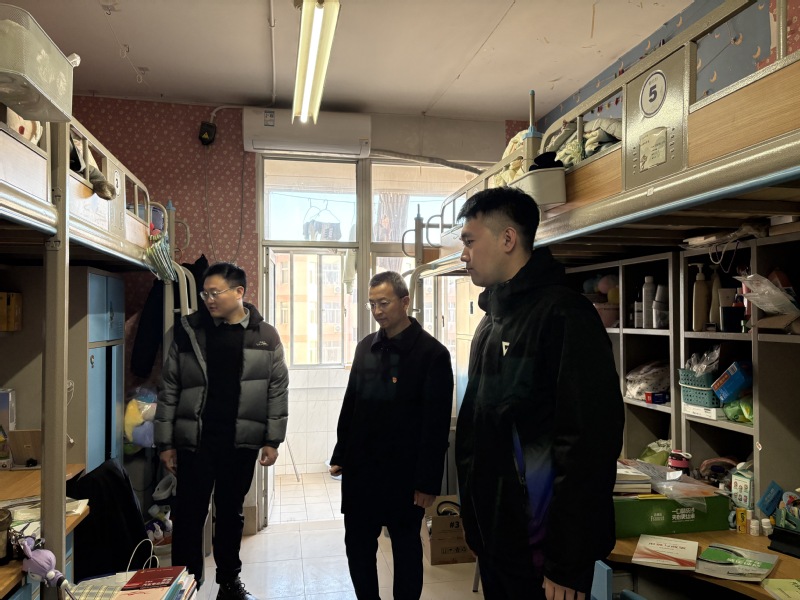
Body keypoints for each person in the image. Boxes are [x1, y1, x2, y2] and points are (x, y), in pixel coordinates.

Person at [454, 187, 624, 600]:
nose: (463, 255)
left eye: (470, 241)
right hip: (499, 543)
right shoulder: (491, 323)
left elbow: (586, 444)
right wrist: (476, 528)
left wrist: (566, 561)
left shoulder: (564, 316)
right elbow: (480, 433)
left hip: (543, 557)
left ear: (507, 239)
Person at [155, 262, 288, 600]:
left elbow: (277, 390)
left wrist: (272, 439)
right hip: (195, 442)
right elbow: (169, 388)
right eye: (205, 294)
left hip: (241, 443)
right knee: (189, 515)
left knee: (231, 514)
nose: (209, 299)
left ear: (239, 292)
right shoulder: (188, 331)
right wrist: (166, 443)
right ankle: (185, 586)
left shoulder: (265, 335)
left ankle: (229, 583)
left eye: (215, 293)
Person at [329, 271, 454, 600]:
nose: (377, 311)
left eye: (383, 303)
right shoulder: (365, 347)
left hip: (405, 474)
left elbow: (436, 425)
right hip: (362, 470)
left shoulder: (432, 354)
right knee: (357, 546)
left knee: (406, 548)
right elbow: (351, 404)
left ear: (405, 301)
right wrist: (341, 454)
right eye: (372, 304)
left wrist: (427, 482)